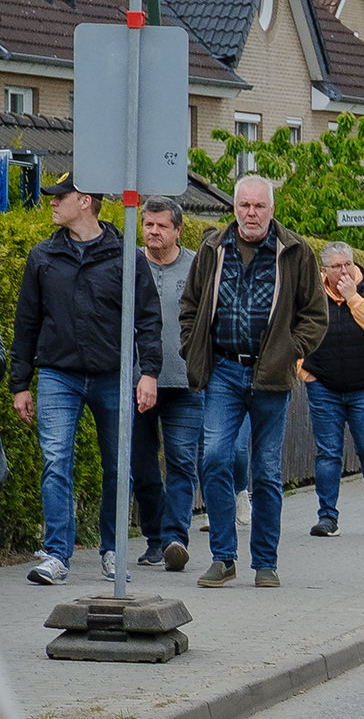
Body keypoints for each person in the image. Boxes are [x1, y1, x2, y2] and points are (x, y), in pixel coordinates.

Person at [10, 172, 163, 585]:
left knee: (119, 466)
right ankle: (57, 554)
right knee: (56, 460)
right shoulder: (43, 256)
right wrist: (19, 383)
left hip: (113, 374)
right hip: (59, 374)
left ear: (86, 202)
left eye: (61, 196)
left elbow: (148, 320)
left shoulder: (125, 256)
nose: (53, 202)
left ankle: (113, 551)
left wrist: (148, 372)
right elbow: (26, 323)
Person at [181, 173, 329, 589]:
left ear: (271, 210)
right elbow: (190, 304)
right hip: (223, 370)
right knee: (213, 457)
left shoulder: (295, 251)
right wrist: (191, 345)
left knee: (264, 470)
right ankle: (223, 557)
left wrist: (290, 349)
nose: (251, 213)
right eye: (244, 205)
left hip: (271, 375)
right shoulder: (213, 248)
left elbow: (316, 315)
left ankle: (265, 561)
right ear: (234, 208)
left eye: (259, 206)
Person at [300, 242, 364, 539]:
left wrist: (353, 297)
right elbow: (293, 331)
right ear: (323, 271)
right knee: (328, 454)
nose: (344, 271)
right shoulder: (310, 297)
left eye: (348, 265)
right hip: (323, 386)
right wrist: (302, 370)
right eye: (337, 267)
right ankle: (327, 516)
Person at [126, 198, 201, 572]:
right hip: (137, 381)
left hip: (186, 384)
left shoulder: (195, 267)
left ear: (177, 230)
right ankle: (154, 539)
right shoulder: (129, 263)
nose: (153, 232)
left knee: (182, 462)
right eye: (148, 225)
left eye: (161, 226)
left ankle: (175, 538)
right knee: (142, 465)